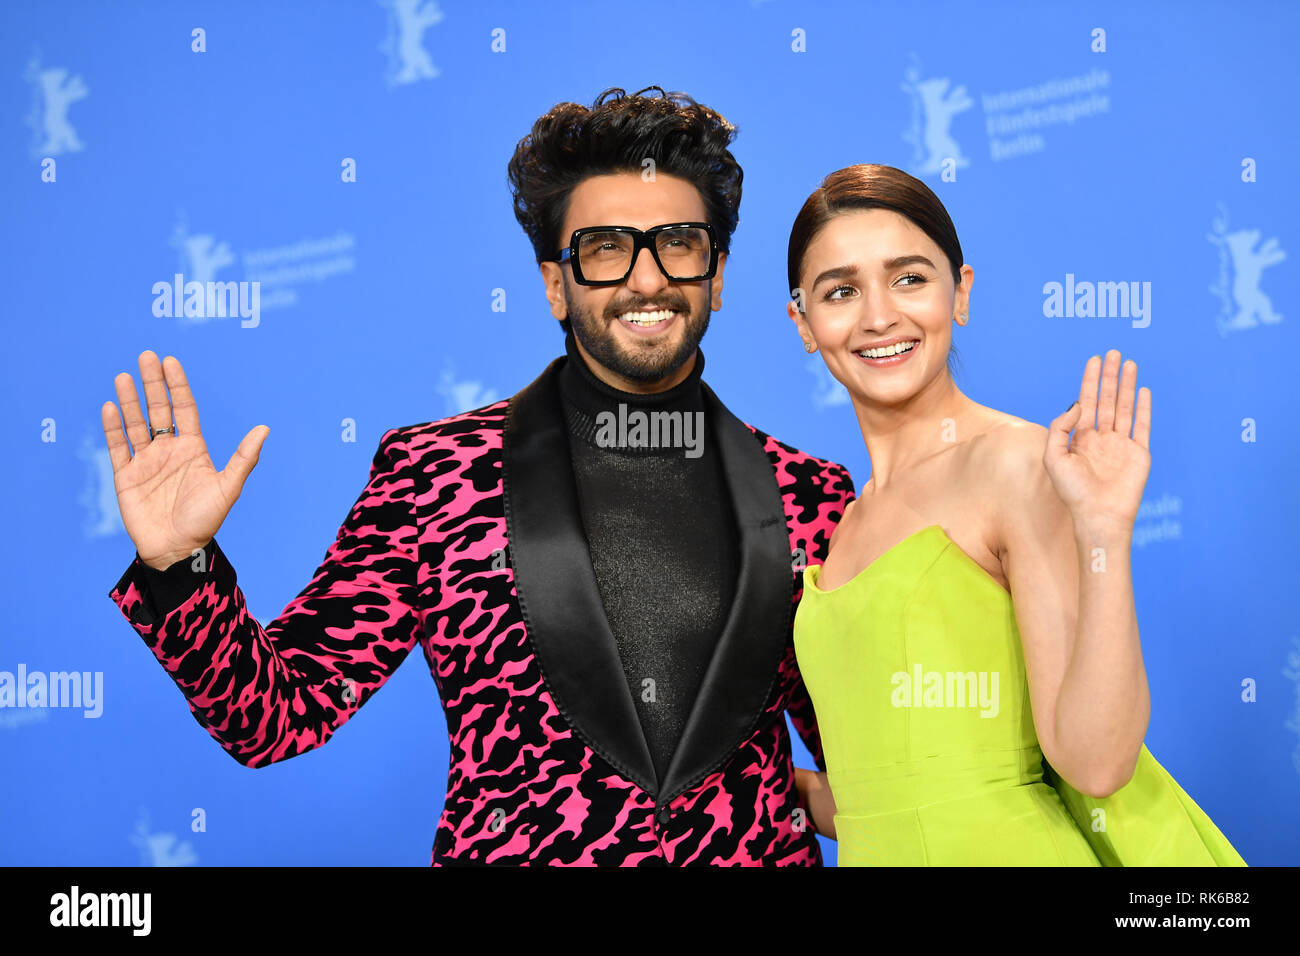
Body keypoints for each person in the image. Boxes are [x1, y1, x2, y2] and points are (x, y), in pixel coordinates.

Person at [101, 87, 854, 866]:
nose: (647, 278)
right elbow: (277, 716)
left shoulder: (813, 497)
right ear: (555, 284)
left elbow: (868, 757)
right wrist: (178, 566)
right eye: (604, 247)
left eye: (678, 242)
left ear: (717, 274)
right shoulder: (434, 477)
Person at [786, 163, 1246, 866]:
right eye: (841, 291)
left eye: (909, 277)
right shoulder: (846, 523)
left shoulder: (1015, 465)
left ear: (960, 292)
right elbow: (891, 795)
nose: (879, 315)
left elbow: (1094, 763)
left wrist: (1103, 531)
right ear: (805, 323)